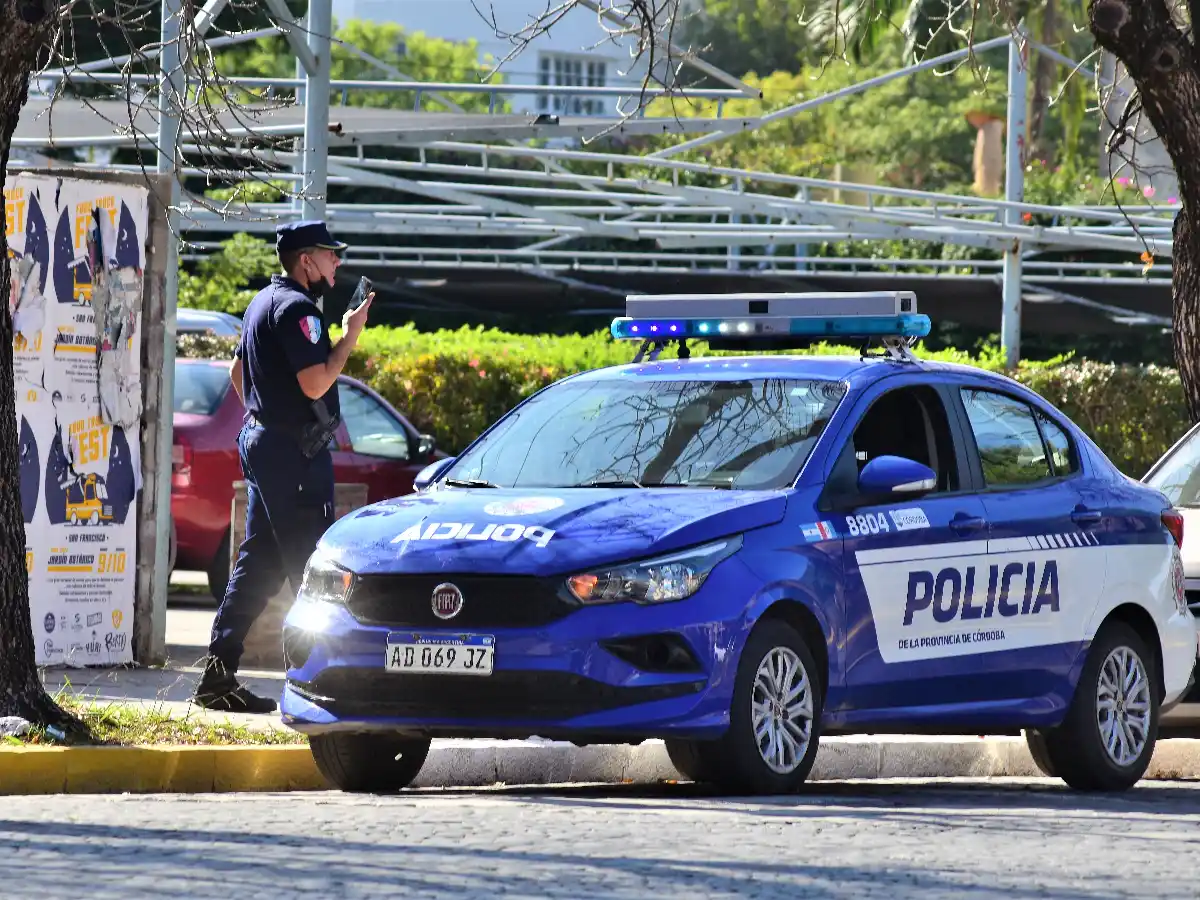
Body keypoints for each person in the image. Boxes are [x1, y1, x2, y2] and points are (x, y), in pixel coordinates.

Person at [194, 220, 373, 713]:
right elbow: (316, 384)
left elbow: (238, 372)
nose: (338, 262)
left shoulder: (261, 303)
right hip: (294, 455)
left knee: (261, 564)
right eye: (330, 254)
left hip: (268, 446)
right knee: (310, 564)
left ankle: (218, 673)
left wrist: (264, 416)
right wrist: (349, 336)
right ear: (305, 260)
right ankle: (323, 683)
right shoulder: (298, 309)